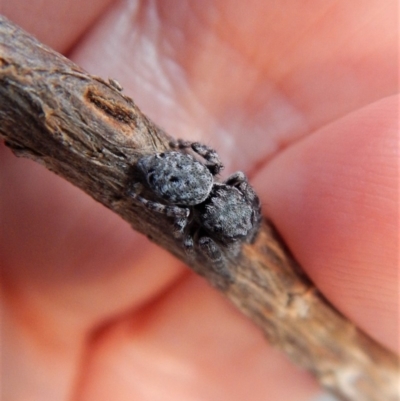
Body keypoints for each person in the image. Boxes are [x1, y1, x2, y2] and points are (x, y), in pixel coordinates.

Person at [1, 1, 398, 400]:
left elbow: (222, 172)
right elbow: (189, 235)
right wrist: (147, 195)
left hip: (186, 174)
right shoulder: (201, 220)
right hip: (177, 182)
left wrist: (177, 147)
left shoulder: (218, 176)